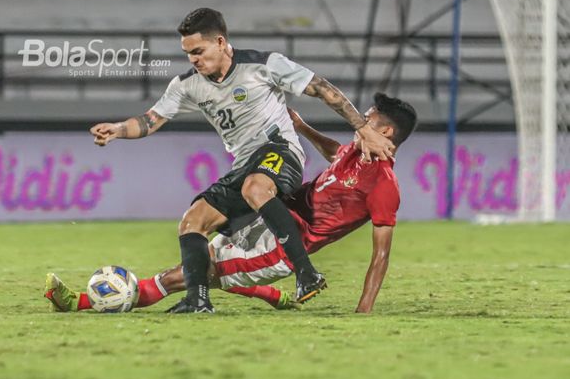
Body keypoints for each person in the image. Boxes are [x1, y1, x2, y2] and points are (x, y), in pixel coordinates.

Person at [89, 8, 395, 313]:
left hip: (281, 150)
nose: (193, 60)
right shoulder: (187, 85)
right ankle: (198, 301)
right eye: (188, 54)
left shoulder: (263, 66)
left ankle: (306, 273)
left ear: (220, 42)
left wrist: (363, 128)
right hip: (244, 164)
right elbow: (150, 120)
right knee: (192, 221)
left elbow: (323, 89)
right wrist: (117, 130)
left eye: (198, 51)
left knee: (255, 188)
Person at [47, 93, 416, 314]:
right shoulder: (354, 153)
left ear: (385, 132)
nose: (361, 120)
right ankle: (273, 296)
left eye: (368, 118)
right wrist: (302, 128)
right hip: (270, 219)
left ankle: (80, 302)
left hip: (281, 248)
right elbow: (335, 153)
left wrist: (364, 310)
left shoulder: (384, 185)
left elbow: (380, 255)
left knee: (185, 276)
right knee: (197, 263)